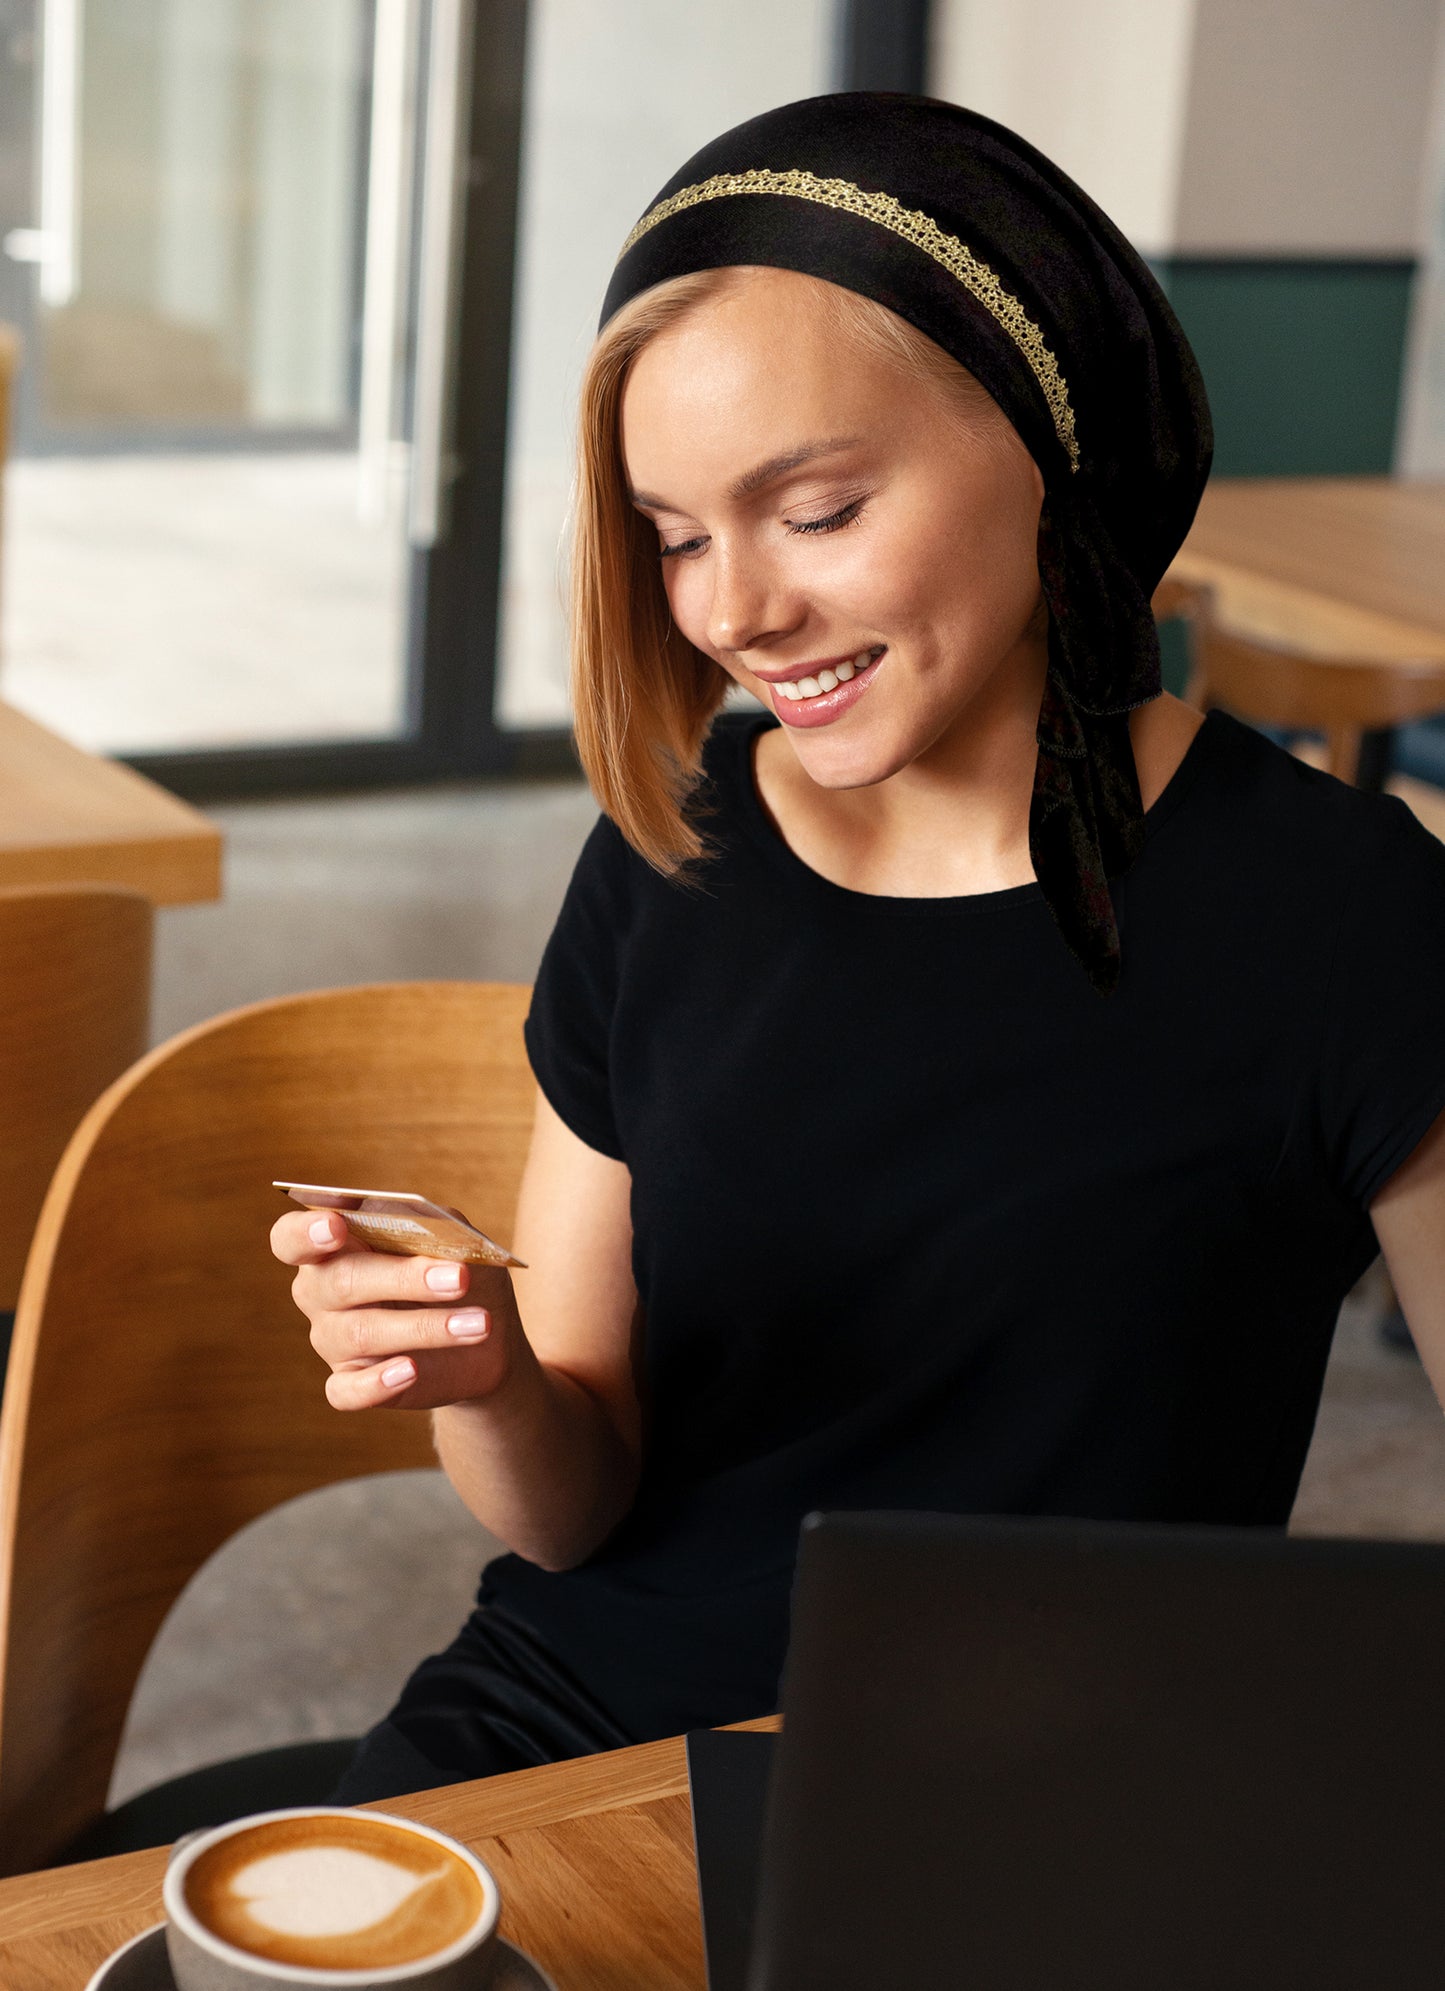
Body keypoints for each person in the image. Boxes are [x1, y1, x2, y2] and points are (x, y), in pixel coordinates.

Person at [272, 94, 1445, 1802]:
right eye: (674, 535)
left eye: (812, 510)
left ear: (1046, 448)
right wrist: (493, 1381)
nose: (731, 610)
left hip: (1045, 1804)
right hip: (582, 1724)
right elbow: (577, 1503)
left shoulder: (1343, 911)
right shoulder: (667, 858)